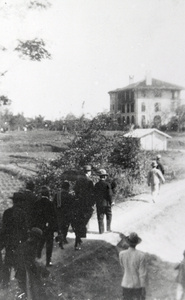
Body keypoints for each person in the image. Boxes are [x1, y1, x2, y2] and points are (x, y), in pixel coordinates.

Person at [1, 192, 28, 288]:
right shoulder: (23, 213)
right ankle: (20, 283)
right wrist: (25, 242)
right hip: (19, 242)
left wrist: (3, 242)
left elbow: (3, 229)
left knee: (7, 262)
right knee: (19, 263)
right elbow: (24, 230)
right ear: (19, 202)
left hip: (9, 242)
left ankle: (5, 282)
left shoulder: (7, 212)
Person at [15, 227, 50, 300]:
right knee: (29, 293)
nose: (38, 241)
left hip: (26, 273)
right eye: (37, 239)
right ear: (33, 237)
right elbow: (27, 262)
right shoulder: (27, 246)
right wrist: (39, 269)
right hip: (25, 274)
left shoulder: (30, 245)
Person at [119, 232, 147, 300]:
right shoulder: (141, 255)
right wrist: (143, 287)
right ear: (136, 243)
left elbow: (123, 267)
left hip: (125, 283)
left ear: (128, 242)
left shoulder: (122, 254)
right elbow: (142, 274)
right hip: (137, 285)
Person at [33, 186, 55, 267]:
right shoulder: (50, 203)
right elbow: (53, 217)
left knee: (39, 243)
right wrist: (54, 228)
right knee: (49, 244)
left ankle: (37, 257)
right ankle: (48, 261)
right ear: (48, 194)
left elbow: (34, 216)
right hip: (48, 227)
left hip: (39, 227)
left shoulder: (36, 203)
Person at [74, 165, 95, 249]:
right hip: (86, 204)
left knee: (79, 221)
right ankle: (78, 239)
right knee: (83, 221)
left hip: (78, 203)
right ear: (89, 172)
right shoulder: (89, 181)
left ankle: (78, 238)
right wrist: (92, 203)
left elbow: (75, 191)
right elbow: (92, 193)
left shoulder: (78, 181)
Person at [53, 180, 74, 248]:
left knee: (59, 226)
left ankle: (60, 238)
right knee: (65, 226)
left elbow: (54, 204)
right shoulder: (69, 195)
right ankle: (64, 238)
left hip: (58, 213)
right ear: (68, 188)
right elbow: (71, 206)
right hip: (67, 213)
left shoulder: (57, 194)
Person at [94, 169, 114, 234]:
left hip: (99, 204)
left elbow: (94, 194)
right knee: (109, 215)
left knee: (100, 217)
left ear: (99, 177)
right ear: (105, 176)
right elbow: (110, 194)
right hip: (107, 203)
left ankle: (101, 231)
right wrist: (112, 201)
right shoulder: (107, 184)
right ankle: (108, 229)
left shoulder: (96, 185)